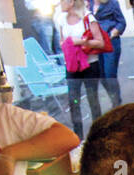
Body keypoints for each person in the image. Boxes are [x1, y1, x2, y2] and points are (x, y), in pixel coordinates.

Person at [56, 0, 106, 138]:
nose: (60, 4)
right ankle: (78, 136)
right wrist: (66, 45)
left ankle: (98, 135)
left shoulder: (88, 18)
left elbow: (100, 42)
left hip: (90, 64)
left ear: (71, 2)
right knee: (73, 100)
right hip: (72, 66)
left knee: (92, 99)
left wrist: (80, 42)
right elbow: (62, 40)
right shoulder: (61, 19)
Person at [93, 0, 127, 108]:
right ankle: (115, 99)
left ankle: (117, 103)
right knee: (102, 76)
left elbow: (122, 22)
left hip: (110, 42)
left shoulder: (112, 2)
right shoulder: (88, 3)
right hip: (95, 43)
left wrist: (112, 34)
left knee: (109, 75)